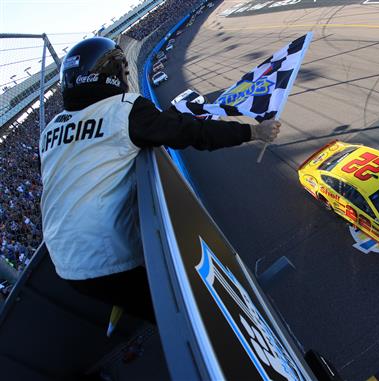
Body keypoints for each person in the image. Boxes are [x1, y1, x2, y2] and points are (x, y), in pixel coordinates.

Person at [39, 37, 281, 324]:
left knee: (150, 307)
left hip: (63, 264)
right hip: (105, 259)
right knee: (195, 317)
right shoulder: (124, 109)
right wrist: (252, 133)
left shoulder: (50, 131)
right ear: (113, 75)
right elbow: (192, 133)